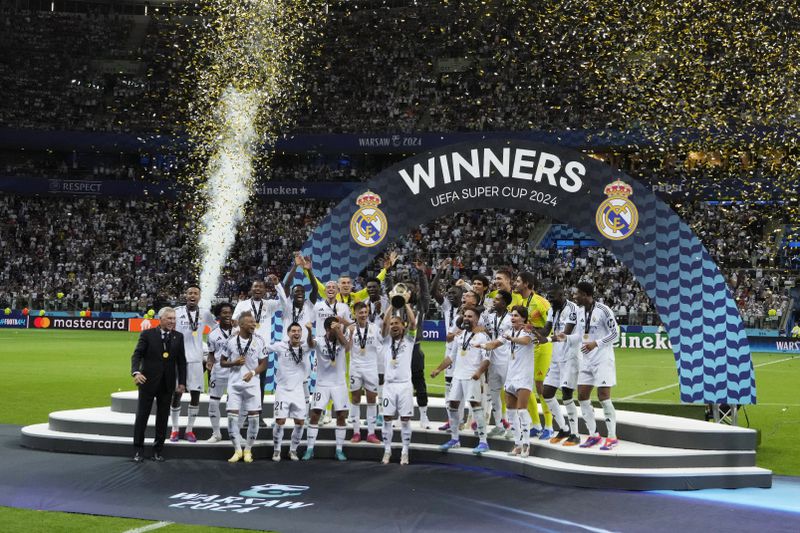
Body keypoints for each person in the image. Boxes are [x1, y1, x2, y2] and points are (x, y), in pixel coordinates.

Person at [431, 306, 491, 455]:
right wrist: (438, 369)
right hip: (457, 376)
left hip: (472, 376)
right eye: (465, 316)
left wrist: (478, 372)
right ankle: (455, 439)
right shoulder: (459, 336)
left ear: (477, 319)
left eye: (470, 316)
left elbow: (487, 359)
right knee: (452, 405)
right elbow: (451, 357)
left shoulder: (482, 337)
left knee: (475, 405)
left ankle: (483, 442)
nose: (466, 318)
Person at [131, 307, 186, 462]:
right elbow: (137, 355)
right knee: (142, 416)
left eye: (174, 319)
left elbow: (181, 362)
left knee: (162, 418)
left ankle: (158, 451)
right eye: (169, 318)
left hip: (167, 384)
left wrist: (182, 382)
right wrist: (136, 372)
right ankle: (138, 450)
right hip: (147, 381)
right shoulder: (147, 334)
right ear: (160, 319)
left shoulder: (178, 337)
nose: (172, 322)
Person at [533, 286, 583, 446]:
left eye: (553, 296)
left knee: (567, 394)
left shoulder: (572, 309)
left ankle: (575, 434)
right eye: (549, 296)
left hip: (570, 357)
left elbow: (565, 334)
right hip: (556, 357)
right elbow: (547, 328)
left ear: (562, 294)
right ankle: (564, 428)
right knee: (547, 393)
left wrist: (545, 339)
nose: (551, 299)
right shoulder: (552, 310)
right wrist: (533, 331)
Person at [574, 281, 620, 450]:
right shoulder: (579, 312)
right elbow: (579, 336)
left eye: (577, 293)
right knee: (582, 396)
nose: (575, 296)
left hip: (603, 359)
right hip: (586, 359)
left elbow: (616, 334)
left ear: (586, 295)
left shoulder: (603, 310)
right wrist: (560, 338)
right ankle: (593, 435)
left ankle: (612, 437)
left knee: (604, 397)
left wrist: (597, 343)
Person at [485, 306, 535, 456]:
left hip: (524, 376)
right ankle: (517, 443)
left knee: (522, 410)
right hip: (511, 376)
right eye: (512, 315)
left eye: (517, 316)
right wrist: (479, 345)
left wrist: (512, 339)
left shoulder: (528, 331)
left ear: (524, 318)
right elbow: (494, 344)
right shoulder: (507, 332)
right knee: (512, 413)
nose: (513, 318)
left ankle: (527, 443)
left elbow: (525, 342)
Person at [220, 311, 268, 463]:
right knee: (232, 418)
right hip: (234, 384)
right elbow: (222, 362)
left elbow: (264, 364)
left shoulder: (260, 340)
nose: (254, 324)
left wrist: (253, 372)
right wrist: (234, 363)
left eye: (254, 322)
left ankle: (248, 450)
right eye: (250, 322)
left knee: (254, 419)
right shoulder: (230, 341)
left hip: (252, 384)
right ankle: (237, 450)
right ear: (241, 324)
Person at [170, 286, 216, 443]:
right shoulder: (176, 312)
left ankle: (189, 430)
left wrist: (211, 352)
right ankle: (175, 429)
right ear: (185, 295)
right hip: (178, 360)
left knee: (195, 395)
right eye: (189, 292)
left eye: (195, 293)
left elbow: (215, 329)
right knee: (176, 394)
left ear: (199, 296)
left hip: (197, 360)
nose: (192, 295)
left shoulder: (205, 313)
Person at [233, 279, 282, 421]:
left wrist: (278, 284)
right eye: (255, 286)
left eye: (261, 287)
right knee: (244, 382)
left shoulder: (269, 304)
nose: (258, 289)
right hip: (246, 351)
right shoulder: (243, 304)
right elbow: (235, 321)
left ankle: (257, 415)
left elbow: (283, 300)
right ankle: (244, 415)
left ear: (265, 290)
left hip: (262, 351)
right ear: (251, 289)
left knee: (260, 384)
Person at [264, 322, 313, 462]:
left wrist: (309, 330)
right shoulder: (280, 346)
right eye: (293, 331)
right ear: (288, 333)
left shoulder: (306, 346)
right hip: (282, 389)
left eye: (298, 331)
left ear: (301, 333)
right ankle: (277, 450)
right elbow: (264, 349)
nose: (296, 333)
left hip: (298, 390)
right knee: (280, 421)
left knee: (300, 422)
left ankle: (293, 451)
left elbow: (311, 343)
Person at [304, 316, 351, 461]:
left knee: (342, 415)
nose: (337, 329)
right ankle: (310, 448)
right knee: (315, 414)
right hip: (322, 384)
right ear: (326, 329)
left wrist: (339, 331)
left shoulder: (341, 339)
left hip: (339, 384)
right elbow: (311, 344)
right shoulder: (319, 340)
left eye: (338, 327)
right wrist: (310, 331)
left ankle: (339, 449)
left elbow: (348, 347)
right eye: (333, 327)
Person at [514, 272, 554, 440]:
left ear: (527, 283)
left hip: (542, 348)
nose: (515, 283)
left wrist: (539, 335)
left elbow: (551, 324)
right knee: (526, 385)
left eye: (518, 280)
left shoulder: (541, 302)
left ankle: (549, 426)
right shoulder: (522, 302)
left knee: (540, 386)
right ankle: (536, 424)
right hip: (527, 348)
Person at [380, 303, 417, 465]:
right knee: (387, 418)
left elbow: (414, 323)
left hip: (404, 386)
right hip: (388, 386)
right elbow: (383, 324)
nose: (394, 326)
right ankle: (387, 450)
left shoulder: (409, 339)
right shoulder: (386, 340)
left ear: (403, 326)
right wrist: (391, 305)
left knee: (405, 419)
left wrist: (406, 304)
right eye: (392, 323)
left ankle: (404, 452)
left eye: (397, 323)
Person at [347, 301, 382, 444]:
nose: (363, 315)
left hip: (371, 368)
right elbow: (346, 349)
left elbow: (384, 342)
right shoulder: (350, 329)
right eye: (360, 312)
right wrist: (349, 335)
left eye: (365, 312)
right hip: (355, 368)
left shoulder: (375, 328)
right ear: (354, 314)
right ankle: (356, 432)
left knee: (372, 400)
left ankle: (371, 433)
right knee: (355, 399)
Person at [483, 290, 514, 437]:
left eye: (497, 300)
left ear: (504, 302)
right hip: (493, 360)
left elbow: (499, 341)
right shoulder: (490, 316)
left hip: (506, 360)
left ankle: (512, 427)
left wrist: (485, 346)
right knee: (494, 393)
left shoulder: (510, 319)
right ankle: (498, 425)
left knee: (509, 394)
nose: (494, 302)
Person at [205, 302, 235, 443]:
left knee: (234, 405)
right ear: (218, 315)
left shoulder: (239, 329)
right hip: (219, 372)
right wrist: (210, 362)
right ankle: (216, 433)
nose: (227, 315)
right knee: (213, 403)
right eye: (224, 313)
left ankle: (235, 433)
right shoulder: (212, 333)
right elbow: (211, 353)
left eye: (229, 312)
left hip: (236, 372)